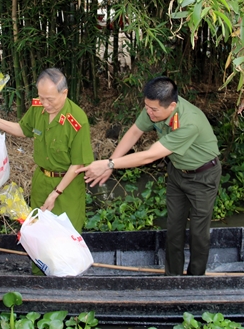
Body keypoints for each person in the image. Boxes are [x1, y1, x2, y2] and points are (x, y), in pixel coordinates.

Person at [79, 77, 221, 276]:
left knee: (198, 233)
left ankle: (195, 280)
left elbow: (149, 155)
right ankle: (173, 278)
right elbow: (135, 131)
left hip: (203, 176)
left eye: (153, 110)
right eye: (146, 107)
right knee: (174, 229)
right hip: (177, 173)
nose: (148, 112)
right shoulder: (153, 109)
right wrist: (111, 162)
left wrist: (109, 164)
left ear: (172, 105)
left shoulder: (190, 123)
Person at [0, 68, 94, 273]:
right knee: (38, 236)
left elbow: (77, 165)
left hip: (66, 187)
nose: (45, 104)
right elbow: (23, 130)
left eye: (50, 99)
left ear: (64, 93)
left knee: (65, 238)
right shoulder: (37, 107)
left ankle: (66, 284)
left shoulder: (77, 120)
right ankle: (39, 281)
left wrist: (56, 193)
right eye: (41, 98)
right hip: (41, 180)